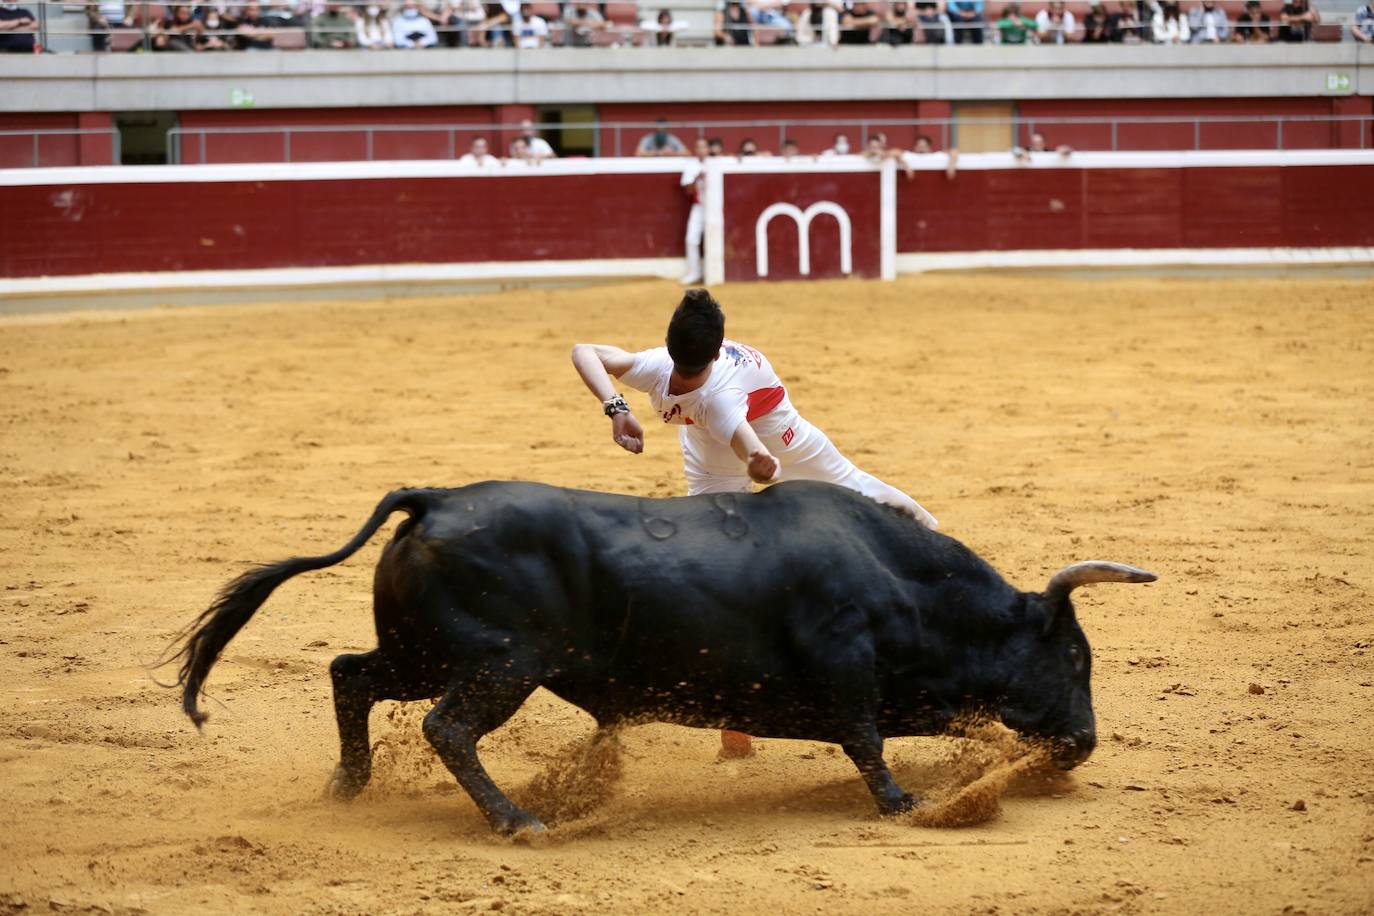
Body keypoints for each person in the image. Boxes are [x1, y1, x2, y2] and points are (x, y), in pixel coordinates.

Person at [571, 290, 940, 758]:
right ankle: (736, 712)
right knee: (724, 574)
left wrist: (760, 464)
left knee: (847, 494)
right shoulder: (661, 367)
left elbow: (752, 445)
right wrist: (616, 409)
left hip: (779, 438)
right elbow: (584, 352)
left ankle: (929, 541)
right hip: (712, 458)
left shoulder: (704, 387)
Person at [679, 137, 708, 285]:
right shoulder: (692, 166)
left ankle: (714, 272)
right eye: (698, 147)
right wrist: (698, 178)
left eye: (704, 147)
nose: (701, 150)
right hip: (699, 208)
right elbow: (688, 190)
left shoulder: (717, 163)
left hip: (717, 209)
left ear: (708, 149)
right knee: (691, 239)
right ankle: (695, 272)